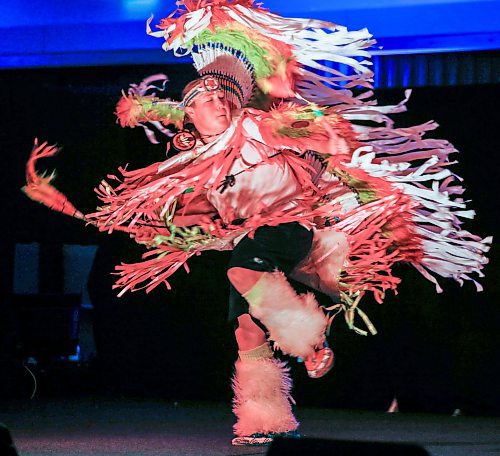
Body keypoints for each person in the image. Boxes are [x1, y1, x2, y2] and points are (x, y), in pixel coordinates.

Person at [23, 0, 490, 447]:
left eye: (227, 98)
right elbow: (137, 215)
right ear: (191, 112)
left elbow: (319, 136)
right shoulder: (193, 166)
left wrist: (329, 137)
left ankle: (310, 340)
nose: (221, 106)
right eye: (208, 100)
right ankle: (267, 419)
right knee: (246, 329)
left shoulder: (259, 126)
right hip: (251, 234)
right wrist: (64, 203)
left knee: (242, 272)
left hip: (290, 224)